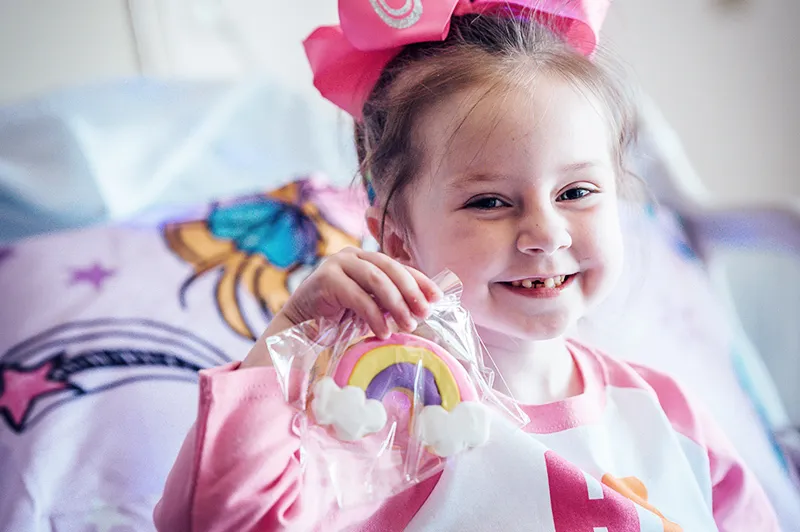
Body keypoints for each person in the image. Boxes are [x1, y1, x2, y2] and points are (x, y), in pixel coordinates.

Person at [154, 1, 779, 530]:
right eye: (488, 202)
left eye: (577, 192)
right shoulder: (383, 409)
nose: (545, 233)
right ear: (397, 241)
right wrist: (288, 331)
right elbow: (218, 518)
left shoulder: (668, 415)